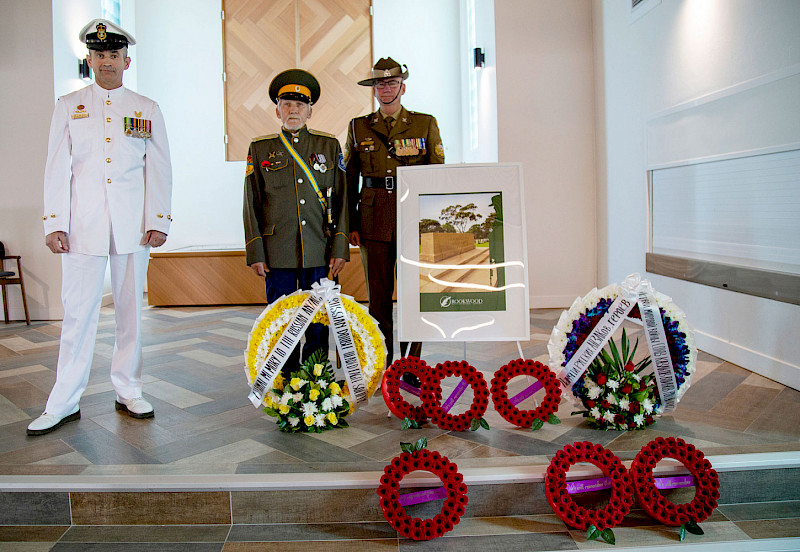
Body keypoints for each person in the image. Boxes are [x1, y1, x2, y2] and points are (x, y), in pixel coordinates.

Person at [28, 19, 172, 436]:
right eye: (99, 55)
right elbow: (55, 169)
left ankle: (129, 389)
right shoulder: (68, 106)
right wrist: (54, 221)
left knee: (130, 312)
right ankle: (63, 400)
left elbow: (158, 169)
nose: (106, 62)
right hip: (80, 227)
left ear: (126, 61)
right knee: (77, 315)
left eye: (113, 55)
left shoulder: (146, 109)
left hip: (132, 228)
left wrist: (157, 219)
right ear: (89, 59)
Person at [243, 69, 349, 373]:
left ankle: (316, 378)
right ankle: (284, 379)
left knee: (318, 318)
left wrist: (340, 248)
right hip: (278, 251)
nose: (293, 111)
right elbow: (251, 203)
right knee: (281, 317)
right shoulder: (260, 148)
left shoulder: (328, 146)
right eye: (287, 104)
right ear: (277, 109)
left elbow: (341, 200)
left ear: (310, 111)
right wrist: (256, 252)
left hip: (320, 247)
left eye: (300, 105)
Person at [345, 57, 444, 369]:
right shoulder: (359, 126)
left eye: (391, 83)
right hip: (373, 221)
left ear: (402, 87)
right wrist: (350, 223)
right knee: (378, 299)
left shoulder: (424, 123)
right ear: (374, 90)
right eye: (379, 83)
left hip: (412, 218)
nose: (385, 88)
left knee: (413, 296)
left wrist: (432, 224)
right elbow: (348, 178)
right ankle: (382, 363)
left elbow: (436, 177)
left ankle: (411, 365)